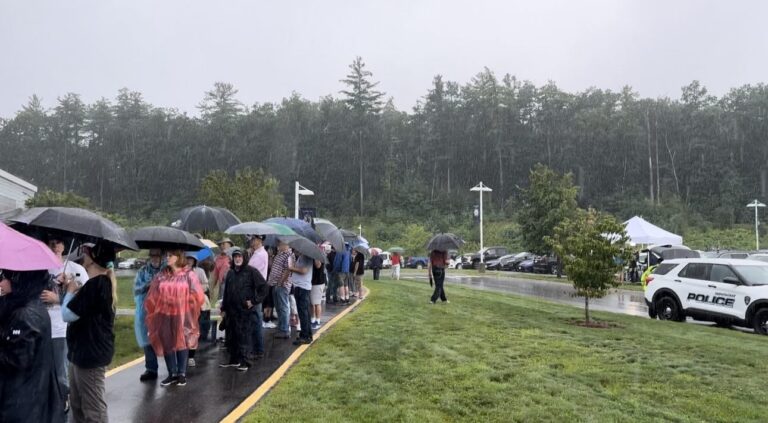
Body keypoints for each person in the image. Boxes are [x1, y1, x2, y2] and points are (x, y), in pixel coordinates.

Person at [61, 241, 117, 422]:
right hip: (81, 353)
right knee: (77, 404)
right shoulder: (97, 284)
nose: (83, 256)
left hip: (90, 355)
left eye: (87, 253)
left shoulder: (96, 285)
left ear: (93, 261)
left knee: (93, 409)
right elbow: (82, 309)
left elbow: (67, 314)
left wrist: (69, 292)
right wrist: (69, 291)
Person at [0, 269, 64, 423]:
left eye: (6, 278)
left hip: (21, 403)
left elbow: (18, 359)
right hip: (30, 399)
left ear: (19, 280)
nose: (1, 282)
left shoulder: (25, 315)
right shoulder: (29, 306)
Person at [144, 249, 205, 387]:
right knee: (167, 342)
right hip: (164, 314)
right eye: (167, 255)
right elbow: (153, 295)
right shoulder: (162, 275)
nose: (167, 257)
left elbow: (198, 295)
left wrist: (184, 300)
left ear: (178, 257)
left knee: (181, 340)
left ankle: (182, 373)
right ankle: (172, 373)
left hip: (182, 315)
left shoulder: (189, 274)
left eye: (170, 255)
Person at [42, 235, 88, 412]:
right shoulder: (39, 269)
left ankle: (64, 399)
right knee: (43, 368)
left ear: (64, 246)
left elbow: (84, 299)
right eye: (51, 242)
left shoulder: (75, 269)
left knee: (60, 369)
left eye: (58, 242)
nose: (55, 246)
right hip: (40, 328)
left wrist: (59, 297)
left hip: (61, 328)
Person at [220, 248, 265, 371]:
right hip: (231, 311)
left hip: (244, 311)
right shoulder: (231, 273)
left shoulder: (251, 271)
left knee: (244, 336)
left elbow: (263, 287)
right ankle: (234, 360)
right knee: (231, 336)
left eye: (239, 256)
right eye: (235, 257)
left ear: (244, 258)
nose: (237, 259)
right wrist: (223, 307)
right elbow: (226, 292)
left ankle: (246, 362)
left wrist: (254, 301)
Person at [133, 248, 164, 382]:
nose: (155, 258)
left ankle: (173, 369)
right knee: (147, 339)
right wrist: (148, 285)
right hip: (145, 309)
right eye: (152, 255)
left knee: (166, 338)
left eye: (157, 255)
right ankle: (151, 368)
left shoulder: (166, 270)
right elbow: (136, 289)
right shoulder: (143, 271)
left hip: (163, 309)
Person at [185, 252, 211, 367]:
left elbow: (206, 285)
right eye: (188, 258)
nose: (190, 261)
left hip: (196, 304)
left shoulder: (199, 271)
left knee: (193, 330)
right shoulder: (180, 271)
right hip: (183, 304)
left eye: (192, 259)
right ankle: (183, 353)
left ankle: (191, 355)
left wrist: (197, 289)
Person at [246, 235, 269, 359]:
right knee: (254, 319)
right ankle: (255, 348)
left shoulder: (260, 254)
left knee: (255, 320)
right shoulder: (257, 253)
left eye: (254, 240)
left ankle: (257, 349)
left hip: (255, 289)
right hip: (255, 288)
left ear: (259, 241)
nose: (251, 242)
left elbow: (250, 271)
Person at [288, 251, 313, 345]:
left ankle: (305, 336)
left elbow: (304, 271)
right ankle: (306, 334)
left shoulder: (307, 256)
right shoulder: (301, 256)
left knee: (303, 313)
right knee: (303, 312)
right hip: (299, 286)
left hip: (303, 287)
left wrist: (291, 268)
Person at [269, 239, 293, 339]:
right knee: (279, 307)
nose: (278, 244)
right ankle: (281, 327)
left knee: (283, 307)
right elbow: (272, 266)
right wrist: (271, 257)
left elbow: (288, 270)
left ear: (286, 244)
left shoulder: (288, 255)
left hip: (282, 286)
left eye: (280, 243)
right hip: (275, 284)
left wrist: (280, 283)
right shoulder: (280, 254)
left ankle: (284, 330)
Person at [210, 238, 233, 341]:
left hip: (231, 284)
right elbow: (215, 273)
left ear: (230, 245)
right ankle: (222, 333)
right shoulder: (218, 258)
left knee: (229, 308)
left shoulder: (233, 256)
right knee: (221, 307)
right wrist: (212, 287)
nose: (222, 246)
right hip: (222, 284)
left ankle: (229, 334)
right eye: (221, 244)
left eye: (225, 244)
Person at [310, 259, 326, 329]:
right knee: (312, 303)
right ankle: (313, 319)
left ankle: (318, 320)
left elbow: (318, 266)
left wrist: (315, 259)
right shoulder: (313, 257)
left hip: (318, 283)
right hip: (312, 283)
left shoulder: (318, 258)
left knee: (317, 303)